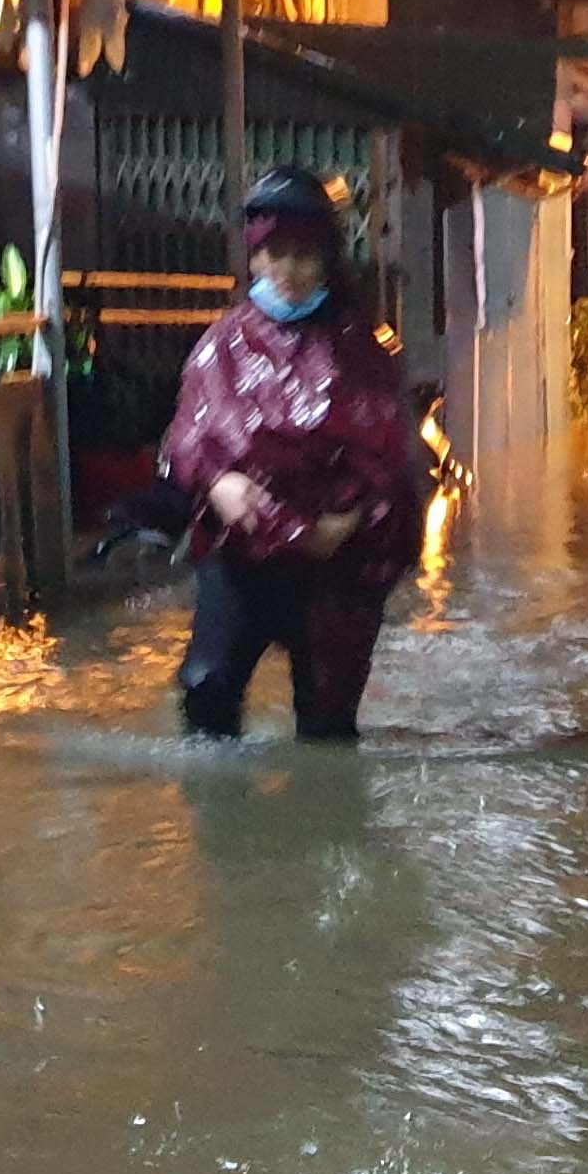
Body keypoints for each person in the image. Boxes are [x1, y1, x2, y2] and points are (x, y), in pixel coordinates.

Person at [162, 166, 424, 742]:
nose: (288, 271)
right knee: (207, 692)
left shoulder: (364, 354)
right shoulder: (220, 346)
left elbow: (391, 460)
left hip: (334, 564)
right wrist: (218, 484)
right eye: (275, 254)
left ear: (327, 260)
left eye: (304, 256)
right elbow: (187, 439)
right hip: (240, 554)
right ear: (255, 259)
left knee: (327, 724)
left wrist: (349, 520)